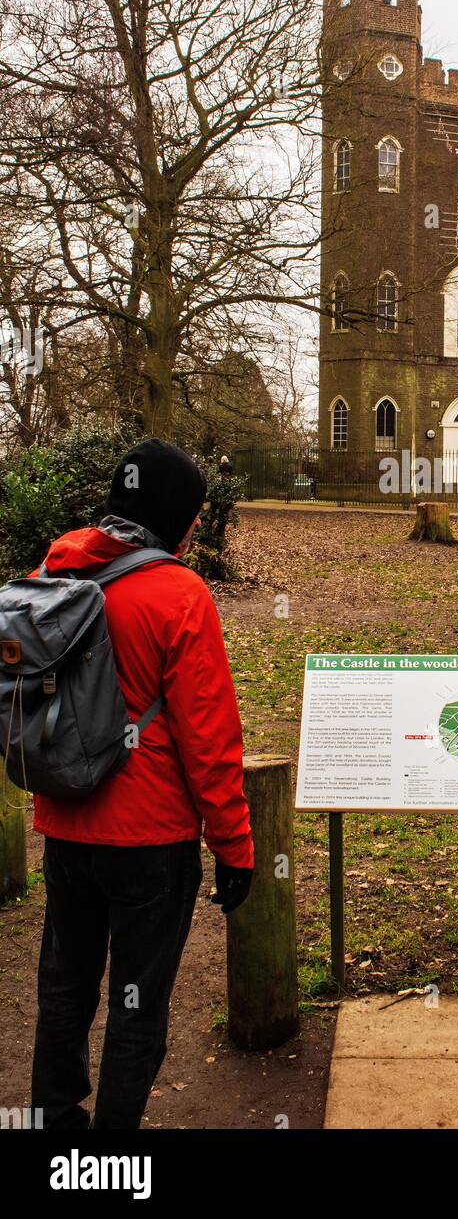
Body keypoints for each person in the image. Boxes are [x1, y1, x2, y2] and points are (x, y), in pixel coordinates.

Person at [30, 439, 254, 1130]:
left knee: (64, 991)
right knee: (136, 1001)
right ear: (176, 517)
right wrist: (235, 847)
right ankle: (111, 1157)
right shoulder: (179, 595)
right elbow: (209, 739)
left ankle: (55, 1132)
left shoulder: (53, 574)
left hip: (66, 824)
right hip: (150, 839)